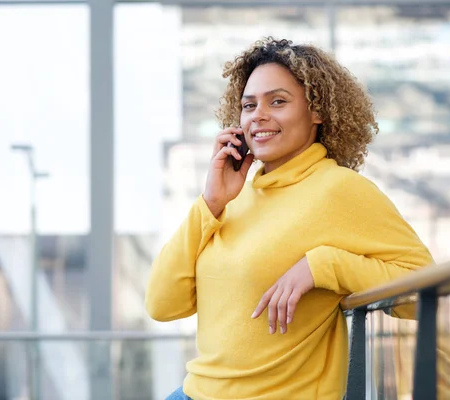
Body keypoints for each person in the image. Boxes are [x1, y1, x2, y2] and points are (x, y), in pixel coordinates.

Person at [145, 37, 433, 400]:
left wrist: (325, 266)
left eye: (277, 101)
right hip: (193, 392)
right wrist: (211, 203)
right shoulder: (233, 197)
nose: (258, 116)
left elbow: (424, 290)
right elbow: (161, 304)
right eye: (249, 105)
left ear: (318, 111)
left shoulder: (339, 190)